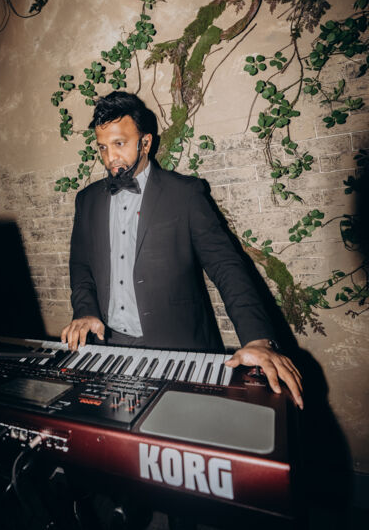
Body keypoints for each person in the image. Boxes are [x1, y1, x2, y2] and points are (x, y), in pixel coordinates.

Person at [62, 92, 303, 409]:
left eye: (119, 143)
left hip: (181, 349)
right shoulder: (87, 199)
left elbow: (227, 267)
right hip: (111, 347)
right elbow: (81, 266)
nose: (110, 158)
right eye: (103, 148)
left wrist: (257, 339)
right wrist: (85, 311)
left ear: (146, 143)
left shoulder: (186, 193)